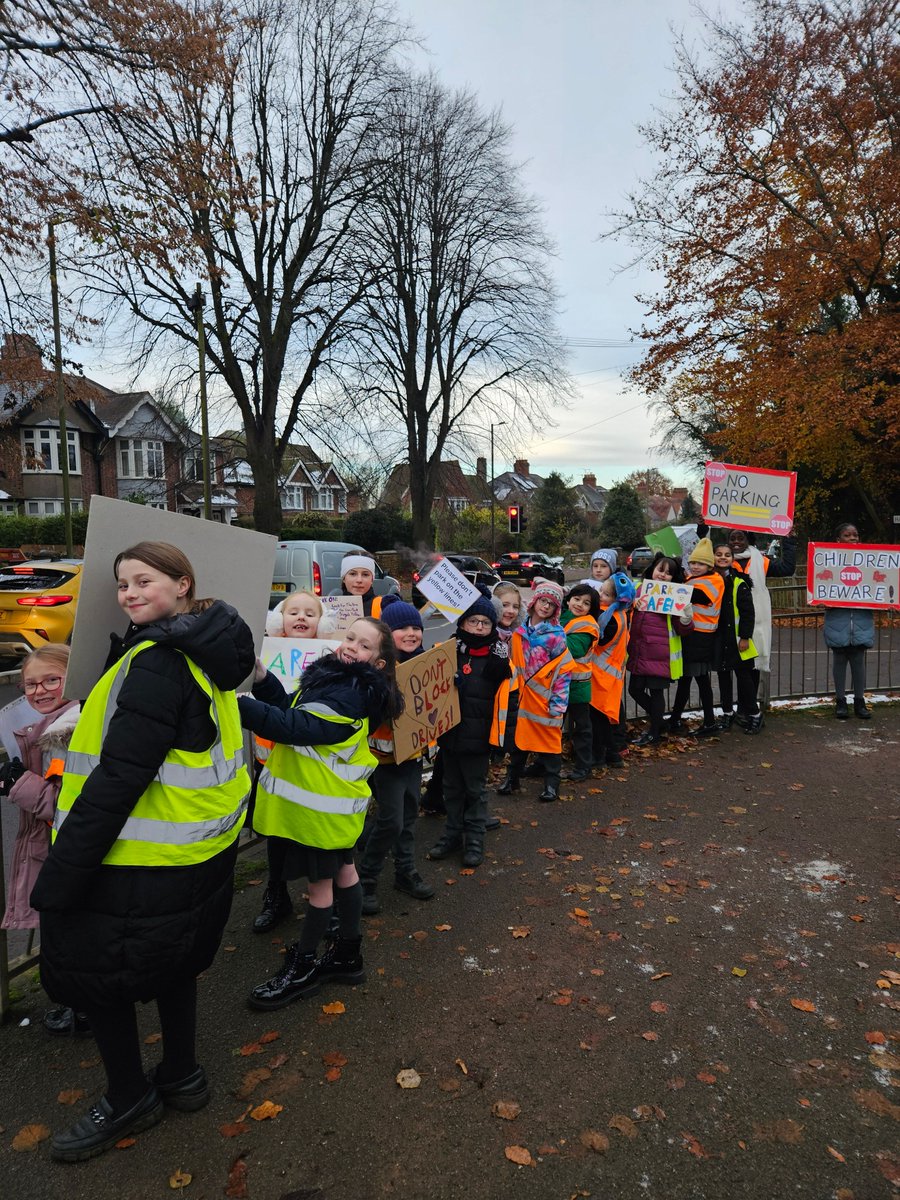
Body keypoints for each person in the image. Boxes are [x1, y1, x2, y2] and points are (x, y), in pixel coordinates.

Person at [31, 542, 254, 1162]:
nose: (128, 593)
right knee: (175, 967)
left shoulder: (158, 663)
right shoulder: (208, 654)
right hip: (193, 855)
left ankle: (129, 1096)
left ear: (183, 584)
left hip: (132, 862)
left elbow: (119, 776)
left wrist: (63, 873)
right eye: (121, 584)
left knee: (104, 981)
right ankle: (180, 1074)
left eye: (143, 581)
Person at [240, 617, 402, 1010]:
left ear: (378, 662)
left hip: (318, 815)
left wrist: (232, 703)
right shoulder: (340, 681)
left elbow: (291, 725)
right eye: (349, 638)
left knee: (320, 889)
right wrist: (261, 677)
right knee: (345, 872)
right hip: (333, 811)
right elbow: (291, 707)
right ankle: (348, 953)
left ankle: (304, 966)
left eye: (364, 646)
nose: (351, 647)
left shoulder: (350, 695)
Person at [0, 646, 86, 1035]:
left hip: (68, 852)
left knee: (70, 940)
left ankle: (84, 1011)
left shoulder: (70, 731)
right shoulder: (50, 724)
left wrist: (16, 782)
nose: (40, 690)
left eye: (52, 679)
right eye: (30, 684)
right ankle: (78, 1007)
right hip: (59, 851)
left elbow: (66, 805)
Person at [357, 596, 434, 914]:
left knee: (409, 814)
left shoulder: (425, 664)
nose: (412, 633)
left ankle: (405, 871)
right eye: (403, 628)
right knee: (390, 819)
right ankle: (367, 880)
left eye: (415, 627)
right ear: (388, 635)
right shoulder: (378, 671)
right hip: (384, 761)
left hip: (412, 758)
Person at [428, 588, 510, 865]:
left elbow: (508, 703)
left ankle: (474, 840)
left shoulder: (499, 659)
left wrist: (501, 741)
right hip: (450, 735)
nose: (478, 627)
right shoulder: (447, 653)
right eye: (473, 621)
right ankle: (452, 834)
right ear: (462, 623)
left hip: (479, 738)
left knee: (475, 791)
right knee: (451, 789)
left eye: (485, 623)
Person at [698, 521, 796, 710]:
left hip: (752, 625)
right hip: (724, 625)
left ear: (748, 540)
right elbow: (700, 559)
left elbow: (786, 568)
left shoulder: (761, 561)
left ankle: (747, 708)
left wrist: (789, 541)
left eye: (740, 538)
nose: (736, 542)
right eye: (732, 538)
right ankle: (728, 711)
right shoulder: (721, 561)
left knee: (750, 669)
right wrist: (702, 532)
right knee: (725, 671)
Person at [499, 579, 571, 803]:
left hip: (544, 698)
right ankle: (513, 779)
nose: (546, 606)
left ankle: (552, 783)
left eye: (551, 603)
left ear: (556, 609)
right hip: (521, 696)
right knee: (519, 742)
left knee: (549, 742)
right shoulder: (519, 632)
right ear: (534, 602)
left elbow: (563, 671)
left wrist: (558, 702)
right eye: (543, 600)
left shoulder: (557, 636)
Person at [627, 555, 693, 747]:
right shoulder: (639, 589)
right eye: (660, 570)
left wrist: (686, 618)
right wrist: (633, 604)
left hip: (660, 653)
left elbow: (682, 630)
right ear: (653, 569)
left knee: (656, 693)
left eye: (668, 573)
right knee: (634, 690)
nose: (663, 575)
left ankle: (655, 732)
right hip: (639, 651)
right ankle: (660, 722)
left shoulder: (675, 596)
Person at [664, 538, 724, 737]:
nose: (695, 567)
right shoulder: (696, 579)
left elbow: (693, 595)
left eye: (700, 564)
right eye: (692, 563)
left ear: (709, 565)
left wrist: (675, 582)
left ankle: (704, 721)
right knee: (691, 680)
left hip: (700, 637)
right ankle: (681, 719)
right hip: (694, 636)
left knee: (695, 680)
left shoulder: (714, 581)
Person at [822, 522, 874, 720]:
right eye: (847, 535)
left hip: (861, 620)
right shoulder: (828, 561)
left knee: (859, 663)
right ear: (838, 539)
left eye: (855, 534)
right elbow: (821, 585)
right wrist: (819, 599)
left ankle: (859, 701)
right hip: (838, 620)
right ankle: (840, 701)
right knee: (839, 662)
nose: (853, 538)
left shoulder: (870, 561)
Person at [712, 544, 761, 733]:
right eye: (718, 554)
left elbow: (748, 613)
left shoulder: (740, 582)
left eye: (727, 555)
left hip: (738, 639)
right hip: (719, 638)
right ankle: (727, 713)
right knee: (723, 678)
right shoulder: (709, 580)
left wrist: (746, 637)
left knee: (744, 678)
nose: (722, 558)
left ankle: (755, 714)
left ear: (733, 559)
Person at [590, 572, 635, 766]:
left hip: (600, 677)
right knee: (602, 721)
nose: (601, 595)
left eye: (606, 594)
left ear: (616, 599)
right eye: (601, 591)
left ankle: (599, 758)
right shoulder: (620, 614)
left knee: (597, 722)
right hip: (609, 677)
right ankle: (613, 756)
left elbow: (599, 641)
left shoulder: (608, 618)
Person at [560, 584, 600, 781]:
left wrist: (546, 636)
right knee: (552, 726)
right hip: (558, 683)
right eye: (577, 599)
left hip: (577, 685)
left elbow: (574, 648)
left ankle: (584, 766)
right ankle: (543, 762)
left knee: (581, 728)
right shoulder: (562, 616)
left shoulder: (587, 625)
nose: (579, 604)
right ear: (569, 599)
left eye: (586, 603)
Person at [333, 553, 383, 619]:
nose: (359, 580)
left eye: (365, 575)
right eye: (353, 574)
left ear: (372, 579)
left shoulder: (383, 606)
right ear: (344, 578)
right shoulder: (332, 608)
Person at [266, 590, 333, 638]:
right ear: (281, 621)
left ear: (321, 624)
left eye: (309, 615)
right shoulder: (268, 650)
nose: (301, 617)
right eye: (293, 613)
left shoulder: (329, 654)